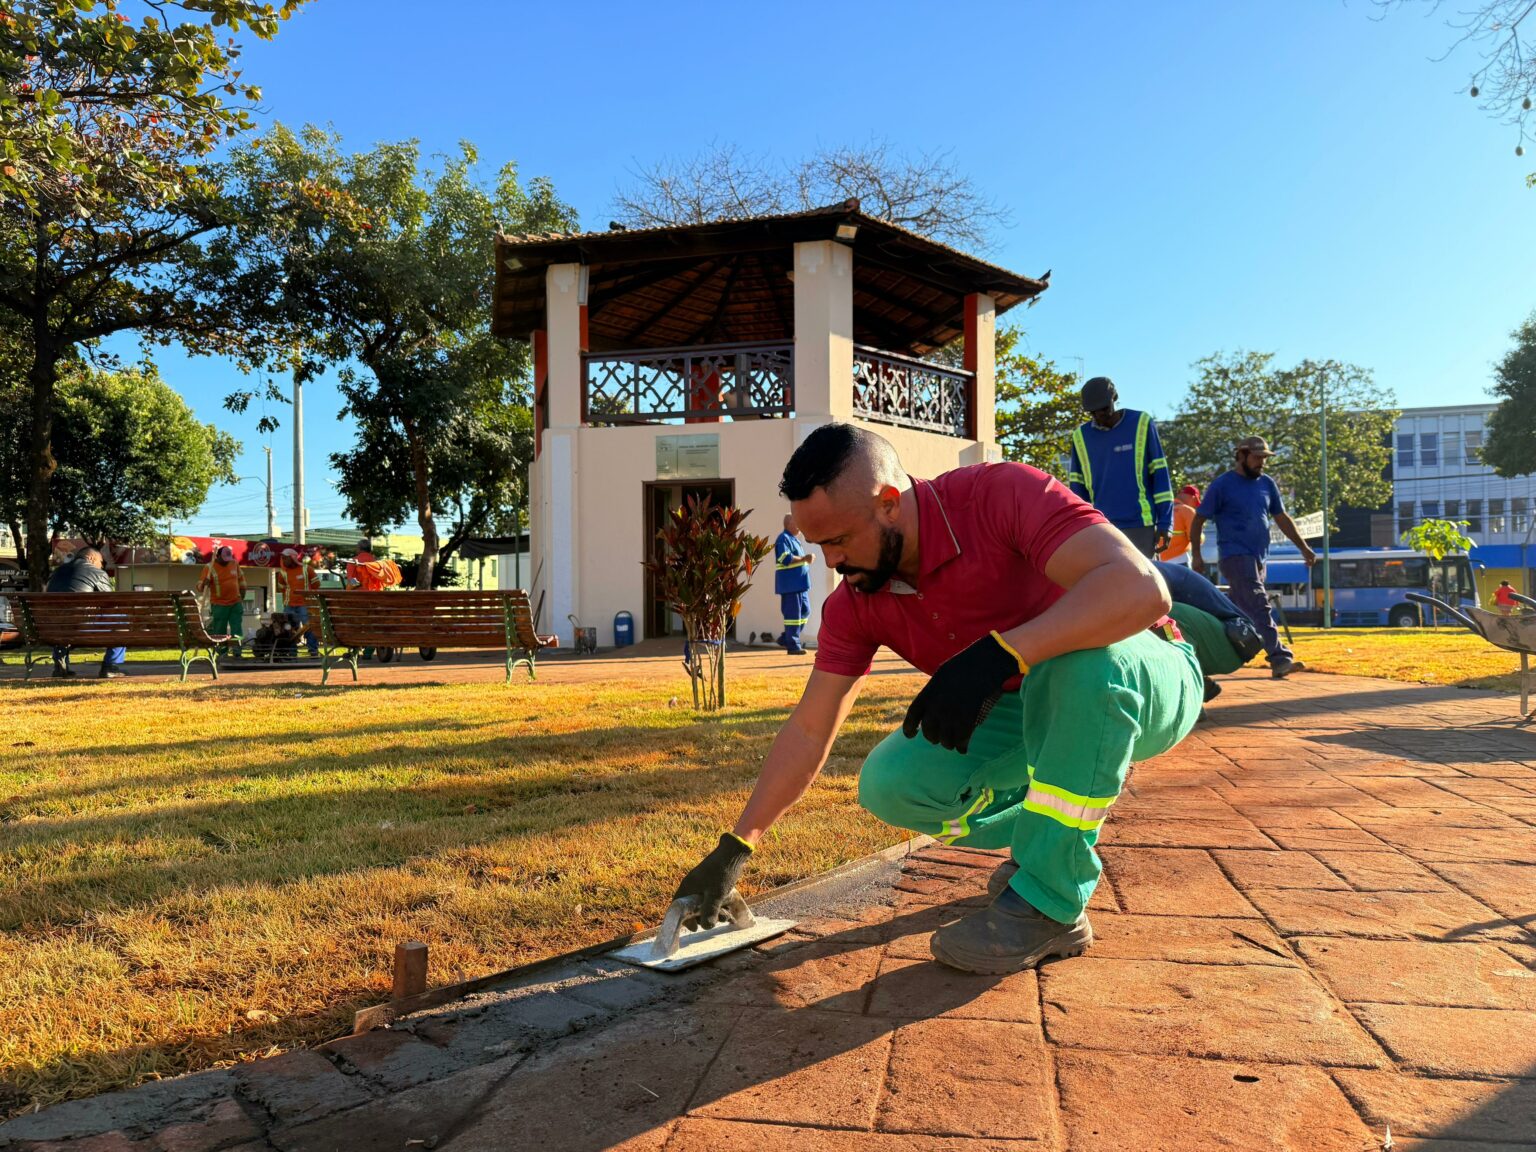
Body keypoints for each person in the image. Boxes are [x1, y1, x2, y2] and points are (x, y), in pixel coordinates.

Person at [669, 423, 1203, 974]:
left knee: (1079, 666)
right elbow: (809, 729)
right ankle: (1046, 843)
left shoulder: (1001, 495)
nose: (830, 563)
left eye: (839, 540)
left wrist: (1003, 654)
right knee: (893, 785)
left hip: (1139, 669)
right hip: (1027, 710)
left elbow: (1140, 591)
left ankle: (1051, 904)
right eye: (819, 545)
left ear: (890, 504)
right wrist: (738, 845)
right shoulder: (856, 602)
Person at [1189, 436, 1315, 679]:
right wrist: (1196, 555)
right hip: (1235, 556)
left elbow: (1282, 518)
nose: (1261, 463)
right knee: (1259, 604)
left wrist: (1304, 547)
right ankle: (1279, 658)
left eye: (1264, 459)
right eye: (1257, 458)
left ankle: (1201, 656)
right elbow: (1198, 520)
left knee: (1236, 613)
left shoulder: (1267, 484)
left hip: (1259, 558)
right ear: (1241, 456)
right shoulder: (1222, 485)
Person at [1067, 376, 1174, 557]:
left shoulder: (1141, 423)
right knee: (1110, 583)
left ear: (1114, 399)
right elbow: (1077, 491)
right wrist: (1082, 528)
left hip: (1140, 525)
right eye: (1093, 412)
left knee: (1144, 583)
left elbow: (1160, 476)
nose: (1100, 415)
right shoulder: (1080, 437)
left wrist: (1165, 523)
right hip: (1103, 527)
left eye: (1104, 409)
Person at [1155, 559, 1263, 702]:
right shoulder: (1136, 571)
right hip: (1223, 641)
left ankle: (1188, 691)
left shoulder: (1145, 575)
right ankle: (1195, 680)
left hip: (1233, 643)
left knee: (1158, 616)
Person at [45, 547, 126, 679]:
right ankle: (110, 666)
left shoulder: (56, 572)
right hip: (84, 627)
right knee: (121, 620)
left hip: (54, 628)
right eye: (101, 562)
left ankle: (60, 666)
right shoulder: (96, 573)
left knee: (62, 621)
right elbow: (111, 601)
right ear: (91, 558)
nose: (102, 566)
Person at [773, 513, 814, 655]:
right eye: (798, 523)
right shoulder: (783, 539)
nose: (800, 527)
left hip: (800, 584)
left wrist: (805, 559)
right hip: (791, 585)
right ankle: (793, 645)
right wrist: (804, 558)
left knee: (805, 611)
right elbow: (785, 558)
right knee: (793, 616)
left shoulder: (794, 539)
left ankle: (786, 638)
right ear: (789, 524)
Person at [198, 545, 247, 658]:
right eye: (224, 559)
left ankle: (237, 652)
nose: (226, 562)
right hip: (219, 604)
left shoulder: (234, 563)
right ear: (217, 556)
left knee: (236, 628)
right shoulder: (209, 567)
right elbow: (199, 587)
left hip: (236, 602)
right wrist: (203, 584)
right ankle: (222, 653)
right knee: (220, 630)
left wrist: (243, 591)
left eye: (228, 559)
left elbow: (241, 579)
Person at [277, 548, 321, 656]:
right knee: (289, 630)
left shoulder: (307, 569)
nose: (283, 560)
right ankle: (292, 652)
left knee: (309, 627)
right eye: (282, 558)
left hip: (304, 605)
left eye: (285, 558)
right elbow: (281, 588)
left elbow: (316, 584)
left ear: (292, 558)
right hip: (289, 605)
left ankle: (313, 651)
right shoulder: (282, 572)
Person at [1157, 485, 1201, 565]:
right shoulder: (1187, 510)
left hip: (1158, 560)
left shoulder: (1161, 510)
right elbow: (1195, 538)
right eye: (1195, 503)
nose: (1195, 506)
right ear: (1193, 497)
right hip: (1180, 560)